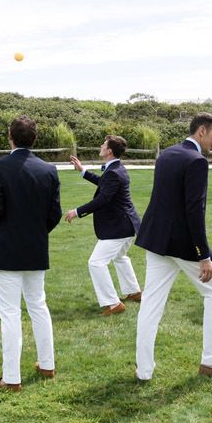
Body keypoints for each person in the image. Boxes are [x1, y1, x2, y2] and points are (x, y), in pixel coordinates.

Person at [134, 112, 212, 380]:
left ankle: (144, 371)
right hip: (182, 244)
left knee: (151, 304)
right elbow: (195, 211)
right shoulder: (197, 161)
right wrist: (203, 255)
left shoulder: (167, 154)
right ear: (201, 131)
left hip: (156, 240)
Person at [0, 116, 62, 391]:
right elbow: (54, 213)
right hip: (36, 247)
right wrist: (37, 233)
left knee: (10, 313)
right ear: (34, 138)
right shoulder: (48, 169)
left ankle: (12, 378)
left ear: (10, 137)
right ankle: (47, 364)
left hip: (7, 247)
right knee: (38, 305)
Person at [64, 135, 142, 316]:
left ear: (109, 151)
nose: (101, 145)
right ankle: (134, 292)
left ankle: (113, 304)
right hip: (128, 224)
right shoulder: (116, 168)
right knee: (120, 257)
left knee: (96, 263)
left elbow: (103, 199)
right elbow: (104, 184)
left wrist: (77, 211)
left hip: (119, 227)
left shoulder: (114, 172)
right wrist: (83, 171)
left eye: (104, 145)